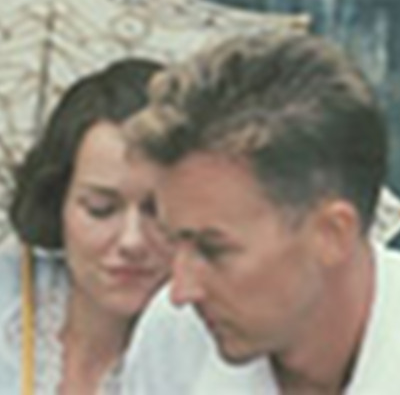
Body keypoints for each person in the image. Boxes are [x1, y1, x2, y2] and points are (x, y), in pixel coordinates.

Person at [123, 32, 400, 394]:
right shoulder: (175, 335)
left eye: (213, 249)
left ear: (332, 234)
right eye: (173, 241)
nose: (181, 291)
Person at [0, 58, 171, 394]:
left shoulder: (222, 352)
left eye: (159, 212)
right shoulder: (9, 295)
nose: (132, 241)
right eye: (100, 209)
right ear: (56, 201)